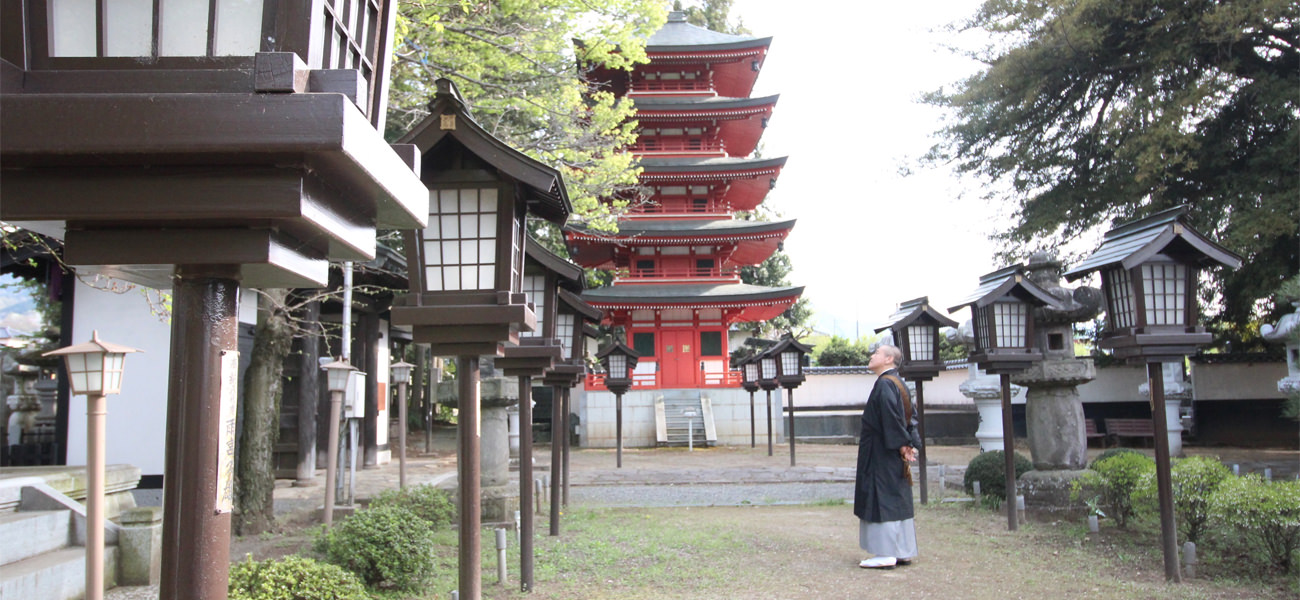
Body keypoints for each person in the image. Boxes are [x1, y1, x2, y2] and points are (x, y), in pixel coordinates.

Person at [853, 344, 920, 569]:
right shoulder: (899, 383)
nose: (872, 356)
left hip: (882, 451)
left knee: (880, 496)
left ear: (889, 358)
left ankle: (885, 552)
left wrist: (902, 444)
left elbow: (891, 418)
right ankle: (902, 550)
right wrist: (909, 442)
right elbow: (911, 417)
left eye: (877, 353)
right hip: (892, 449)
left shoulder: (884, 384)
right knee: (897, 496)